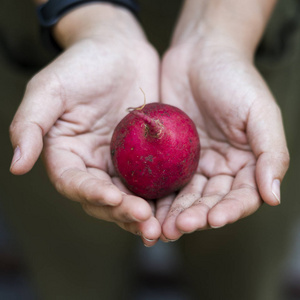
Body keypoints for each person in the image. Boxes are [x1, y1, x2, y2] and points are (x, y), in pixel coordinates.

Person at [3, 0, 298, 299]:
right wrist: (90, 18)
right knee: (74, 262)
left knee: (239, 269)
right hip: (65, 26)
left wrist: (223, 33)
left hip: (241, 20)